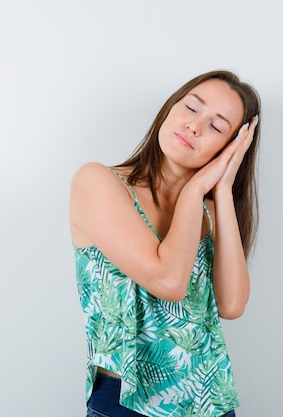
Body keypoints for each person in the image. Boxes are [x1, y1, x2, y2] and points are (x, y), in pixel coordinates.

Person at [70, 70, 261, 417]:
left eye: (217, 127)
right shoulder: (98, 182)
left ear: (230, 148)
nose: (194, 126)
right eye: (191, 107)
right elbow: (168, 282)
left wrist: (220, 190)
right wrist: (193, 189)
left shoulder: (212, 210)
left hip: (210, 398)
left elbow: (232, 305)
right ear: (170, 108)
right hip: (124, 400)